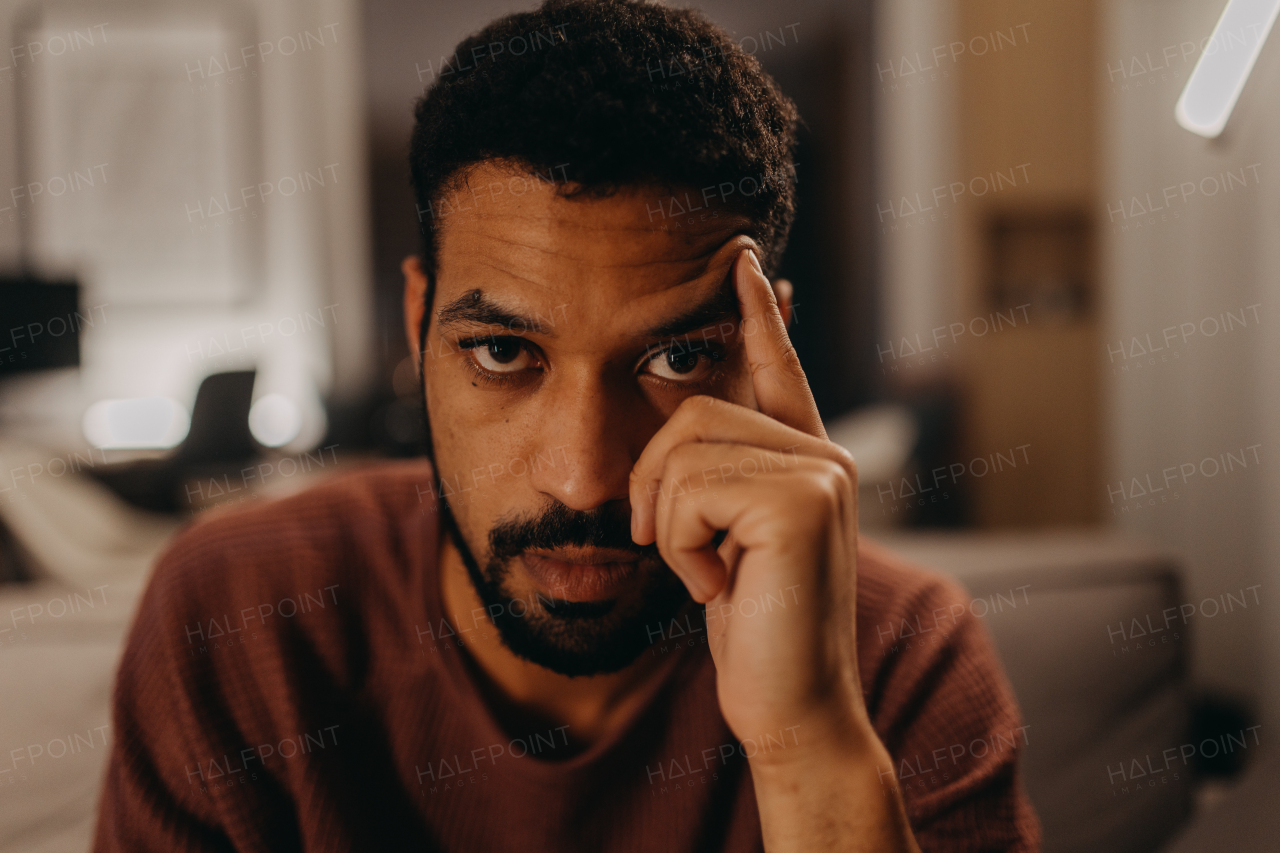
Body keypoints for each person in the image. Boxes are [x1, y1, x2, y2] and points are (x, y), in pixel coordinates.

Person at [95, 1, 1041, 850]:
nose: (586, 479)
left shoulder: (904, 659)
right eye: (505, 352)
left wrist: (810, 747)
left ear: (768, 354)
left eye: (676, 358)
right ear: (418, 319)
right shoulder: (233, 616)